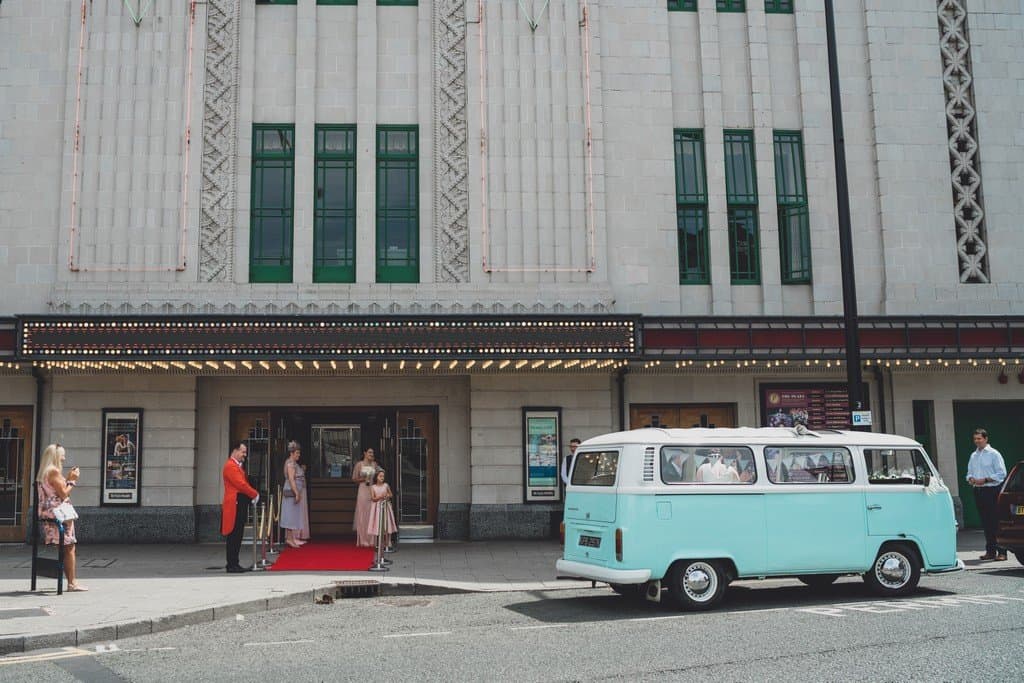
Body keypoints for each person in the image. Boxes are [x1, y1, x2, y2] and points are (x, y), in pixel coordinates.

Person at [36, 444, 86, 591]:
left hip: (48, 513)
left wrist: (68, 478)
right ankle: (72, 583)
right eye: (62, 455)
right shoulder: (53, 472)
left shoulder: (44, 473)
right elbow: (64, 493)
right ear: (56, 456)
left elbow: (55, 491)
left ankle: (70, 582)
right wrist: (72, 480)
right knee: (69, 547)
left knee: (63, 548)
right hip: (59, 515)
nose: (64, 458)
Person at [965, 428, 1007, 561]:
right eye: (975, 439)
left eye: (979, 439)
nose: (977, 441)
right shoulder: (974, 455)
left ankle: (1002, 552)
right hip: (978, 491)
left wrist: (985, 480)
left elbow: (1002, 474)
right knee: (986, 522)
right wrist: (970, 479)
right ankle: (990, 551)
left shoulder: (994, 454)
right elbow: (969, 473)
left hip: (992, 490)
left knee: (995, 521)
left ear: (986, 439)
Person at [222, 441, 259, 573]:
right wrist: (254, 494)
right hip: (234, 504)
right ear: (235, 451)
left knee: (237, 534)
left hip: (238, 503)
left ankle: (234, 563)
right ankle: (232, 564)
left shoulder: (236, 466)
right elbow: (241, 484)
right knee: (234, 534)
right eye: (243, 452)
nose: (245, 455)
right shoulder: (230, 466)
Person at [280, 441, 309, 549]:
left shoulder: (294, 463)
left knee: (292, 515)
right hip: (291, 491)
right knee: (290, 515)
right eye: (297, 453)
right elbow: (291, 479)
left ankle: (291, 538)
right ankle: (289, 538)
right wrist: (296, 493)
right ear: (292, 453)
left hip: (295, 490)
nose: (298, 455)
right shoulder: (290, 463)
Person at [352, 448, 381, 547]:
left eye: (372, 452)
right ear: (364, 453)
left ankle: (371, 539)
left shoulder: (374, 464)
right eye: (369, 452)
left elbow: (381, 474)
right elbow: (354, 478)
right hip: (363, 489)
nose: (371, 454)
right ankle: (363, 539)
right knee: (362, 514)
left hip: (372, 490)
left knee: (371, 514)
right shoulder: (359, 464)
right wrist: (364, 479)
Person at [367, 470, 398, 545]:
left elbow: (391, 495)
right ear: (376, 477)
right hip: (377, 508)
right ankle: (377, 542)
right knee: (377, 523)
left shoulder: (386, 485)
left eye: (383, 476)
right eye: (380, 476)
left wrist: (387, 496)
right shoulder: (372, 487)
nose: (382, 478)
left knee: (386, 522)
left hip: (385, 506)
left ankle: (388, 541)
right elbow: (373, 498)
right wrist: (380, 497)